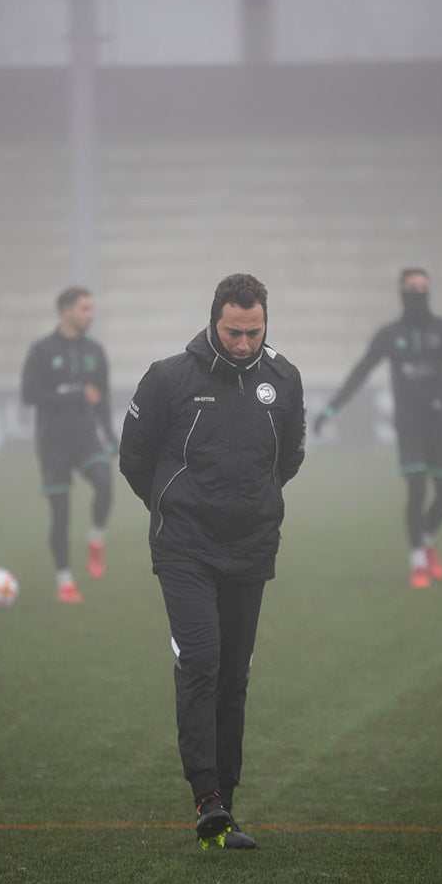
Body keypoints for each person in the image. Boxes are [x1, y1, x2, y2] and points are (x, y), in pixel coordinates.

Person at [119, 273, 306, 849]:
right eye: (233, 332)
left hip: (250, 548)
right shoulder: (168, 377)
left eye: (254, 332)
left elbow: (289, 459)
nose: (244, 343)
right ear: (213, 321)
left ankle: (226, 804)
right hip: (186, 548)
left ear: (265, 322)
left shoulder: (285, 380)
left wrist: (252, 505)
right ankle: (206, 800)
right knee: (201, 660)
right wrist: (176, 509)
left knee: (233, 678)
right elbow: (134, 458)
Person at [314, 268, 442, 589]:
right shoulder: (389, 334)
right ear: (401, 292)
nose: (418, 293)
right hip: (409, 424)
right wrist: (330, 409)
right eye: (412, 288)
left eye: (423, 287)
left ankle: (426, 539)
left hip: (440, 424)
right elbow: (360, 373)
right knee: (416, 489)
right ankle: (417, 563)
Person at [21, 286, 117, 603]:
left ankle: (95, 539)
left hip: (85, 436)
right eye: (85, 309)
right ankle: (65, 581)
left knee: (105, 484)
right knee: (60, 515)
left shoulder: (95, 351)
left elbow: (101, 400)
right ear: (65, 311)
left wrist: (111, 435)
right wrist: (74, 395)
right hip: (52, 442)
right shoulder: (41, 350)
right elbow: (29, 395)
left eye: (91, 309)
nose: (91, 314)